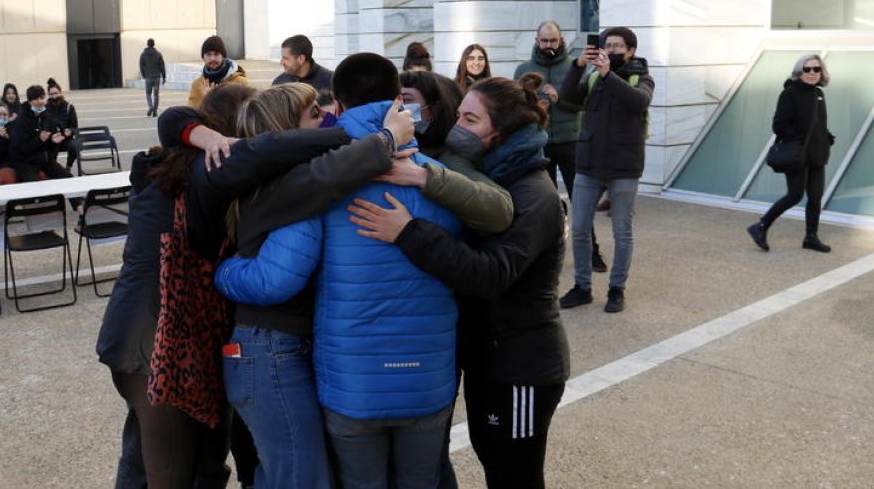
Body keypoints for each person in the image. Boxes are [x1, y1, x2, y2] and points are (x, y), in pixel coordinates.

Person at [213, 83, 511, 489]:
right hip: (426, 382)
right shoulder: (436, 176)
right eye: (314, 115)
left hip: (351, 388)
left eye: (327, 111)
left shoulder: (320, 188)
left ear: (343, 106)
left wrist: (223, 271)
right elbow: (498, 212)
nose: (325, 119)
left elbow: (277, 279)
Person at [97, 84, 370, 489]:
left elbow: (176, 121)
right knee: (172, 471)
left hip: (160, 338)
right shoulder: (210, 165)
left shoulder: (181, 166)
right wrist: (370, 139)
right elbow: (259, 150)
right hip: (159, 343)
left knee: (185, 461)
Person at [347, 77, 571, 489]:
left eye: (471, 119)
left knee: (515, 476)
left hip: (521, 366)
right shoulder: (492, 176)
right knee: (494, 461)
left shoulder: (533, 193)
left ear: (501, 132)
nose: (457, 128)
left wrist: (409, 231)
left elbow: (490, 275)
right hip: (491, 360)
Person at [558, 26, 653, 313]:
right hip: (589, 163)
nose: (610, 49)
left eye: (617, 45)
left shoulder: (641, 76)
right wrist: (578, 66)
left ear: (631, 50)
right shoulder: (593, 75)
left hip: (624, 165)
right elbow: (568, 99)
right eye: (606, 45)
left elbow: (639, 101)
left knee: (622, 231)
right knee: (579, 229)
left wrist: (609, 74)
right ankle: (582, 287)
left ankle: (616, 289)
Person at [515, 21, 607, 272]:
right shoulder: (524, 69)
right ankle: (543, 255)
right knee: (542, 203)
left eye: (553, 40)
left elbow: (583, 105)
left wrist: (559, 99)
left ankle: (592, 252)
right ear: (536, 41)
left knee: (582, 201)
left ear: (561, 40)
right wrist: (536, 109)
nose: (549, 45)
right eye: (544, 41)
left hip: (571, 143)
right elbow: (517, 109)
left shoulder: (573, 67)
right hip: (538, 145)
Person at [747, 55, 835, 254]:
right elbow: (779, 125)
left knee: (815, 197)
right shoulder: (790, 93)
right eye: (807, 69)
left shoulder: (819, 93)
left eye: (816, 69)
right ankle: (760, 226)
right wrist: (800, 139)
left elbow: (817, 122)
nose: (812, 73)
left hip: (817, 153)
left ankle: (811, 237)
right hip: (798, 154)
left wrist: (826, 136)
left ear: (821, 72)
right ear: (799, 71)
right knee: (795, 195)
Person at [7, 84, 71, 183]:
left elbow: (49, 141)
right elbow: (19, 148)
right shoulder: (21, 120)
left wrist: (53, 141)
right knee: (35, 189)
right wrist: (39, 140)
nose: (40, 101)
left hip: (45, 160)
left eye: (42, 98)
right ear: (29, 102)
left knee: (69, 179)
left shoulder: (46, 117)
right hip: (26, 162)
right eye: (36, 99)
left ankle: (79, 199)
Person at [400, 70, 463, 157]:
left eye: (406, 100)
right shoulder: (401, 145)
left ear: (436, 106)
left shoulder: (454, 156)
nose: (397, 106)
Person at [188, 35, 248, 108]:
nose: (212, 58)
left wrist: (214, 99)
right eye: (208, 54)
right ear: (203, 57)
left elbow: (245, 111)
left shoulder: (239, 82)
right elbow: (193, 112)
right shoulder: (198, 84)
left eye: (216, 54)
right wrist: (206, 99)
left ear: (223, 56)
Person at [45, 79, 80, 172]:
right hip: (52, 139)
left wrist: (70, 132)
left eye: (56, 93)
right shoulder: (45, 108)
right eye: (51, 94)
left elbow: (74, 126)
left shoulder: (69, 107)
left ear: (61, 92)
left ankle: (68, 167)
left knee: (74, 146)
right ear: (48, 95)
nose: (54, 96)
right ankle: (53, 170)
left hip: (66, 139)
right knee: (50, 151)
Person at [140, 38, 167, 117]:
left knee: (148, 94)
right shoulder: (158, 54)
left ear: (147, 44)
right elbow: (162, 65)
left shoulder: (143, 54)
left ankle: (150, 106)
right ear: (153, 44)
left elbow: (141, 65)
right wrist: (164, 77)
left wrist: (144, 75)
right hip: (157, 77)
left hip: (148, 77)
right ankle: (155, 111)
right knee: (156, 95)